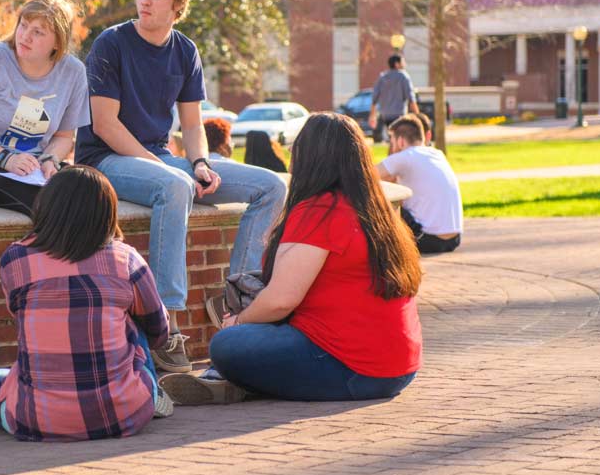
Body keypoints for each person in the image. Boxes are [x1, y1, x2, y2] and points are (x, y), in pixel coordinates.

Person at [77, 0, 287, 374]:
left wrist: (202, 163)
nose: (145, 1)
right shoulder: (111, 43)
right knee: (175, 186)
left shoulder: (185, 50)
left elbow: (192, 124)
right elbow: (104, 124)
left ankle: (239, 294)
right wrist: (168, 168)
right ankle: (165, 326)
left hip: (160, 158)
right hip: (106, 159)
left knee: (271, 187)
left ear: (177, 5)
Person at [160, 112, 423, 404]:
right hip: (400, 368)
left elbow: (281, 300)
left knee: (226, 345)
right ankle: (243, 382)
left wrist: (238, 321)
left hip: (352, 367)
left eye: (297, 144)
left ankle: (238, 381)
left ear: (313, 156)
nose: (290, 151)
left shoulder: (321, 210)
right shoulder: (377, 210)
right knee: (254, 339)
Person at [0, 166, 173, 441]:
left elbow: (19, 317)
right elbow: (159, 330)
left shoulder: (15, 259)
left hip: (36, 421)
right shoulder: (126, 259)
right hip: (123, 414)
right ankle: (149, 392)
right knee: (135, 313)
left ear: (46, 207)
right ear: (106, 212)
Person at [0, 0, 90, 215]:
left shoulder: (73, 72)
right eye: (23, 25)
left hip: (35, 167)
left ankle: (108, 250)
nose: (25, 36)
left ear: (58, 42)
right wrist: (7, 158)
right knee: (50, 206)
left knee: (90, 196)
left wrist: (50, 160)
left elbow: (63, 138)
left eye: (38, 32)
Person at [377, 115, 463, 254]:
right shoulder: (437, 154)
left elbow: (364, 176)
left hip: (426, 239)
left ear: (400, 141)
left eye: (391, 141)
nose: (391, 147)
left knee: (380, 202)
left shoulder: (404, 157)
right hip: (454, 239)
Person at [369, 54, 419, 141]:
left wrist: (372, 116)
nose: (405, 64)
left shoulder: (382, 77)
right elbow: (411, 98)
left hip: (386, 115)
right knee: (401, 140)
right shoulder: (403, 76)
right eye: (403, 62)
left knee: (392, 139)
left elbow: (374, 99)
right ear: (397, 64)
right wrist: (418, 116)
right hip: (399, 115)